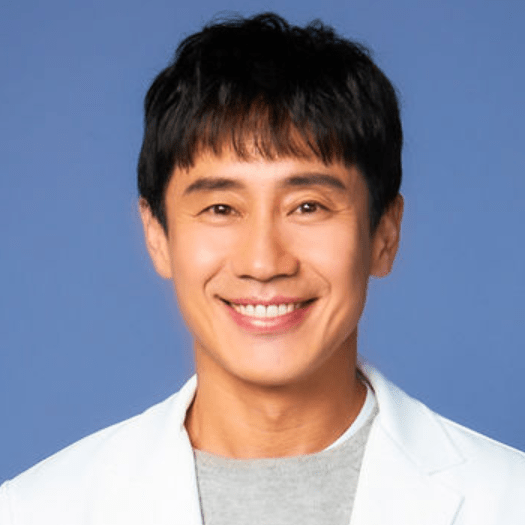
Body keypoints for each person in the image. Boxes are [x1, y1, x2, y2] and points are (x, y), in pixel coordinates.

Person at [1, 12, 524, 525]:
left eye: (308, 207)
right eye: (220, 209)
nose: (263, 262)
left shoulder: (508, 499)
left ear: (385, 235)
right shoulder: (35, 510)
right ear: (157, 236)